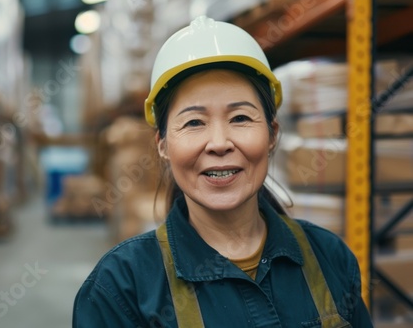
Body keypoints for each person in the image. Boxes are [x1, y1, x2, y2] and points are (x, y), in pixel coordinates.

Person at [73, 16, 373, 327]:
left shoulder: (330, 257)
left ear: (272, 134)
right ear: (162, 145)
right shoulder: (120, 288)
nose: (219, 143)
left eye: (240, 118)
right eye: (194, 122)